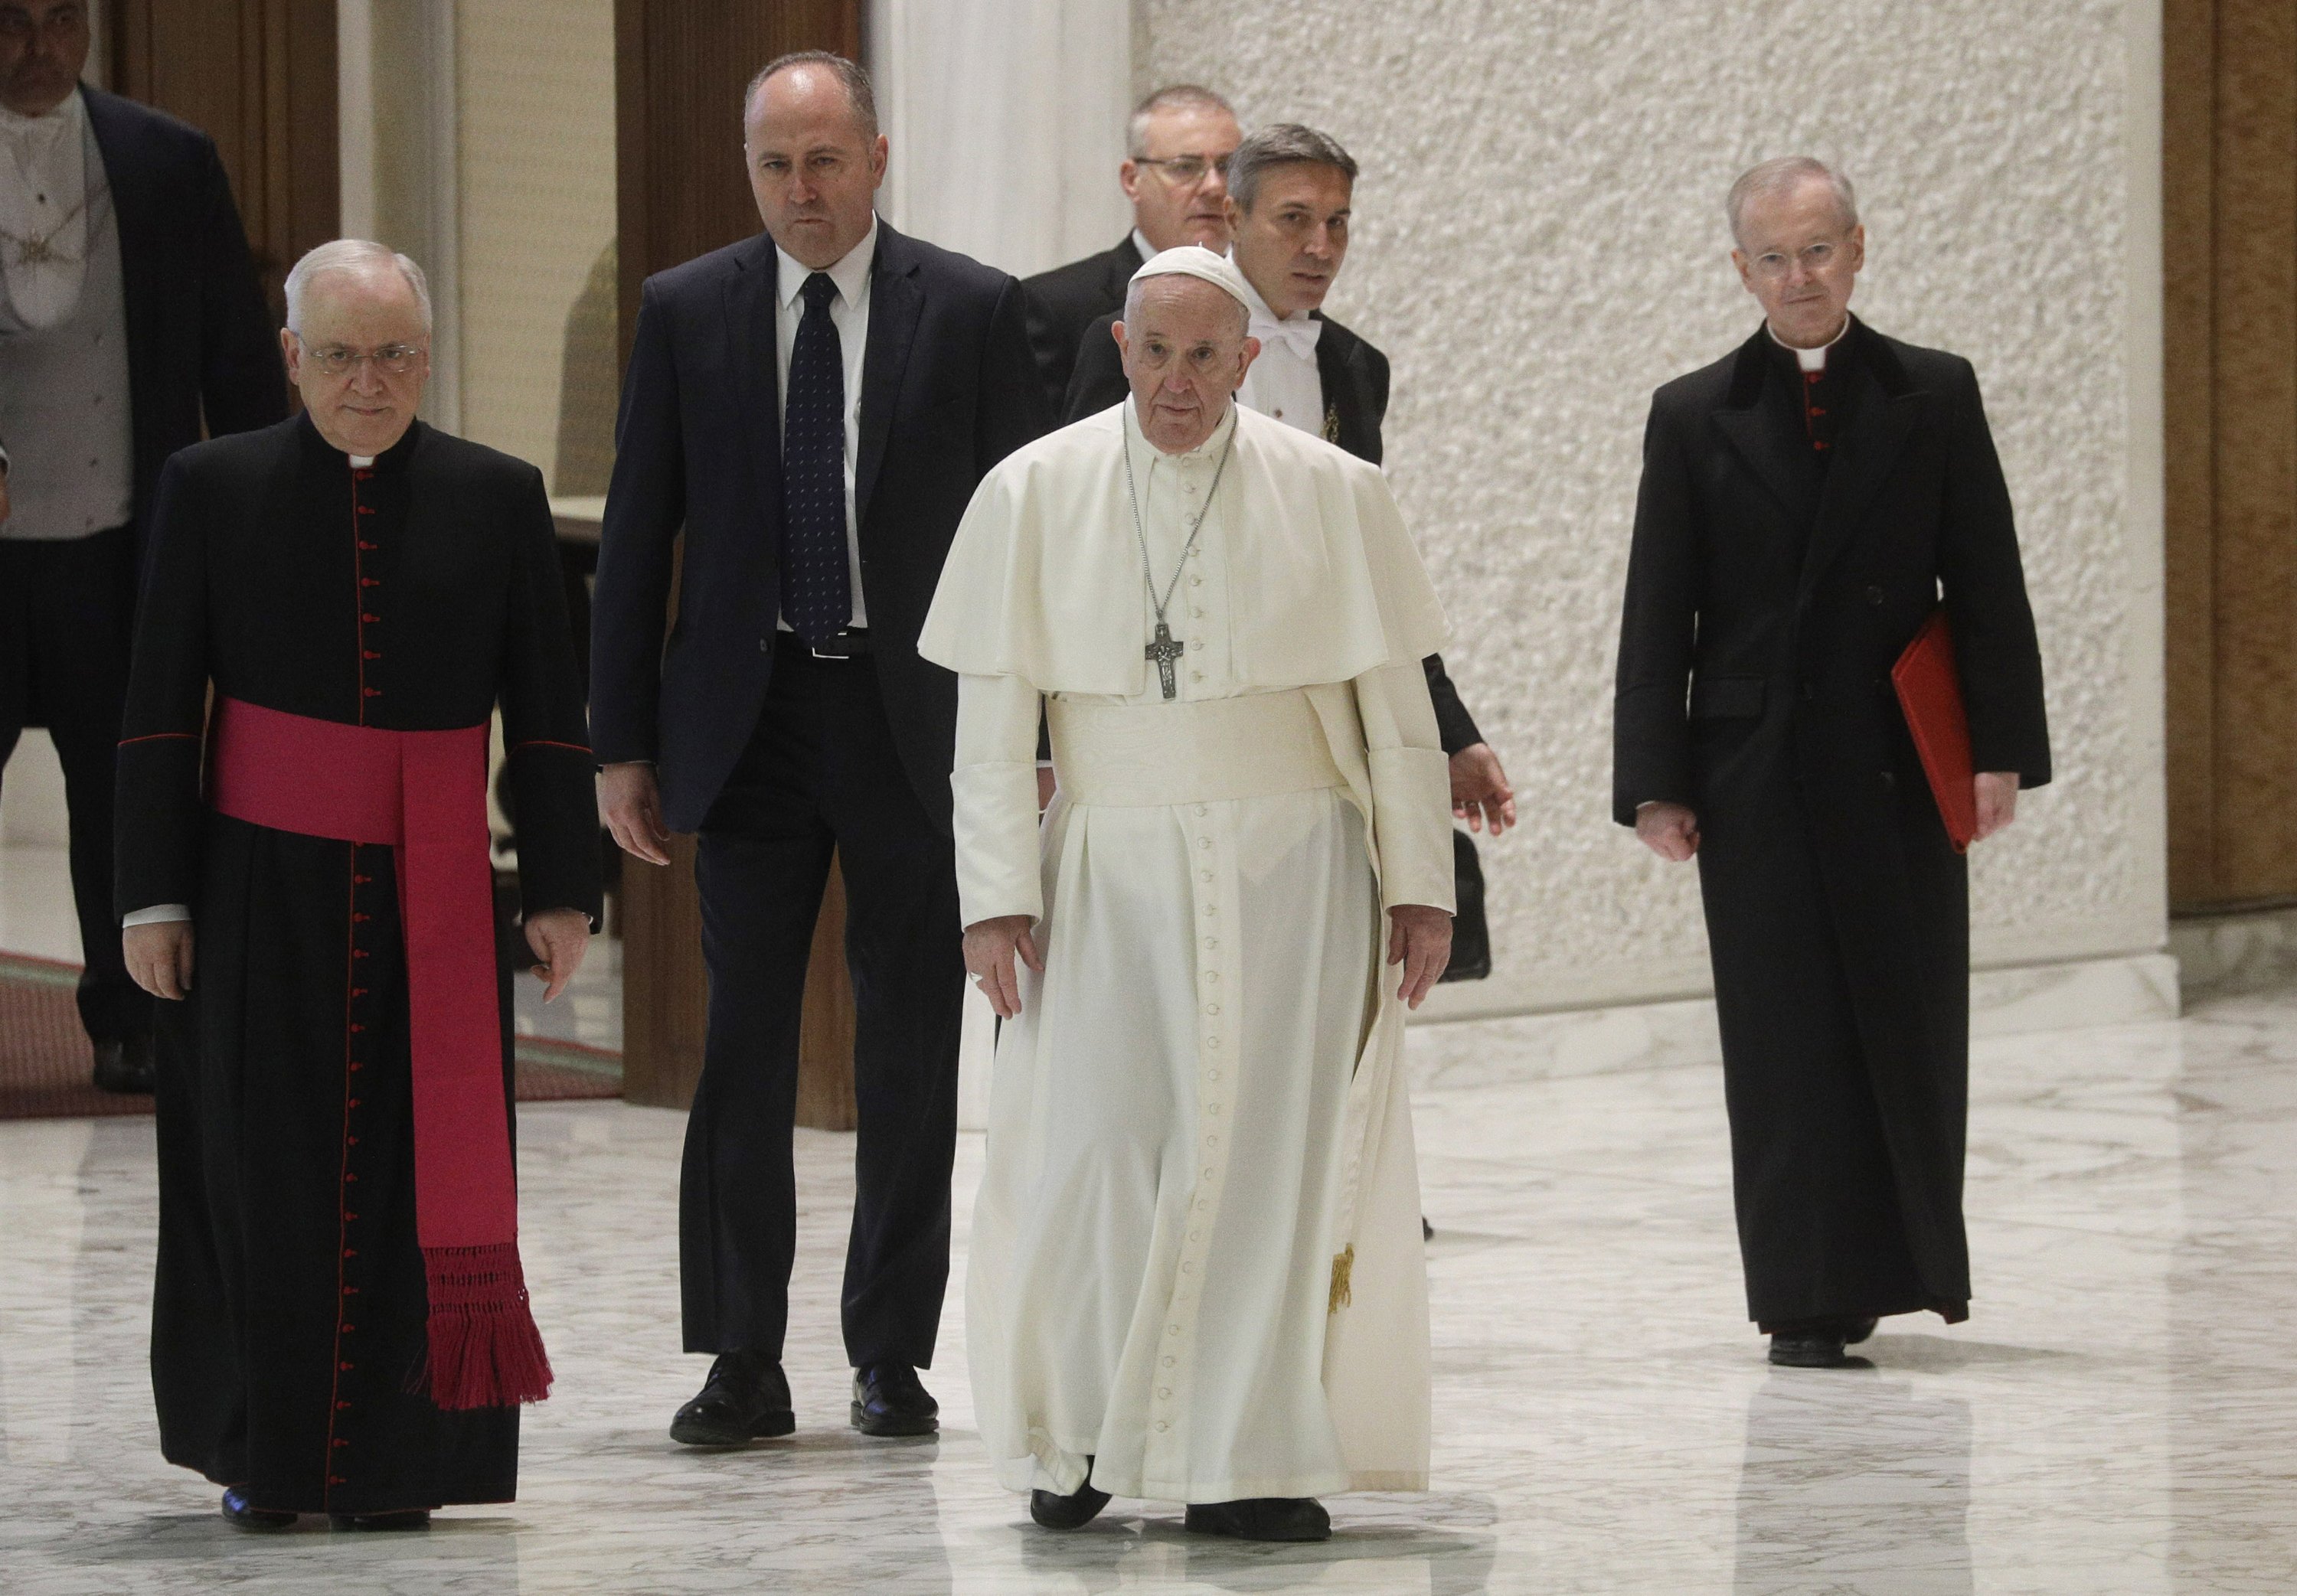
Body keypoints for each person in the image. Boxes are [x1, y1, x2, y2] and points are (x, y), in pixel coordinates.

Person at [923, 247, 1453, 1542]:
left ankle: (1247, 1455)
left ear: (1250, 359)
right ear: (1118, 345)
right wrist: (993, 898)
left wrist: (1421, 884)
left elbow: (1396, 712)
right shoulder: (1031, 493)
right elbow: (991, 723)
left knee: (1269, 1160)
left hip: (1298, 874)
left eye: (1206, 355)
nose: (1177, 381)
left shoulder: (1336, 493)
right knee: (1095, 1150)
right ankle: (1085, 1437)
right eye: (1155, 351)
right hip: (1105, 868)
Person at [590, 51, 1047, 1448]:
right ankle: (742, 1357)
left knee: (909, 1041)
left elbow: (1028, 541)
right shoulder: (688, 311)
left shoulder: (968, 310)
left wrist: (1032, 735)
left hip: (912, 718)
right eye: (778, 165)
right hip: (750, 718)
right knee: (743, 1046)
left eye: (826, 160)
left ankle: (891, 1354)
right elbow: (634, 533)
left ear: (878, 157)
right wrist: (619, 741)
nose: (803, 188)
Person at [115, 240, 600, 1528]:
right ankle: (259, 1455)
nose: (367, 381)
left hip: (434, 892)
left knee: (413, 1177)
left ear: (427, 360)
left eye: (393, 356)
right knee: (255, 1172)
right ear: (291, 359)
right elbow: (161, 705)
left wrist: (560, 887)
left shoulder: (499, 496)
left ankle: (408, 1458)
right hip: (254, 891)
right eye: (339, 355)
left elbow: (547, 710)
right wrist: (151, 896)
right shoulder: (211, 488)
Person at [1612, 157, 2051, 1369]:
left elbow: (1988, 582)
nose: (1798, 277)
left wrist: (2000, 750)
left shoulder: (1935, 393)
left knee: (1905, 1016)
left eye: (1819, 251)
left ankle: (1903, 1267)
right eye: (1773, 257)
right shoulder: (1693, 412)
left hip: (1900, 761)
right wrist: (1656, 778)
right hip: (1752, 770)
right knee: (1784, 1032)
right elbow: (1661, 608)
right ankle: (1803, 1295)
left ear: (1859, 247)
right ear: (1739, 268)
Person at [1065, 123, 1514, 844]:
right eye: (1295, 219)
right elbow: (1083, 536)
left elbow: (1375, 563)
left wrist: (1450, 731)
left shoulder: (1355, 366)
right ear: (1234, 218)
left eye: (1338, 223)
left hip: (1314, 723)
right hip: (1171, 709)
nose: (1321, 247)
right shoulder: (1128, 340)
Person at [0, 0, 283, 1093]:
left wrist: (266, 522)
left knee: (123, 792)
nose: (38, 46)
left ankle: (128, 1016)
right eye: (14, 22)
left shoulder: (168, 162)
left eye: (61, 21)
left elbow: (239, 359)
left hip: (121, 543)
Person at [1018, 83, 1240, 413]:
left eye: (1228, 167)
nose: (1214, 186)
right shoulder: (1053, 307)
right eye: (1185, 167)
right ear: (1131, 179)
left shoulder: (1260, 303)